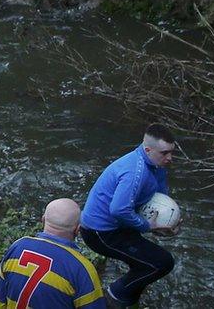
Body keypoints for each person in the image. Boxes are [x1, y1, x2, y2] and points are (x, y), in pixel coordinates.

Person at [80, 124, 179, 308]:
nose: (169, 158)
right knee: (162, 263)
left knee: (146, 262)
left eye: (172, 152)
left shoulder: (157, 165)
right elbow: (118, 210)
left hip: (119, 225)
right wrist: (147, 226)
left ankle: (128, 298)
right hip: (100, 232)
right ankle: (111, 298)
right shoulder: (134, 172)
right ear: (147, 149)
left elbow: (160, 199)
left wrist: (168, 222)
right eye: (164, 153)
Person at [0, 198, 106, 309]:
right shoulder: (81, 269)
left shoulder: (16, 247)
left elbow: (1, 301)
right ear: (77, 229)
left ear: (43, 220)